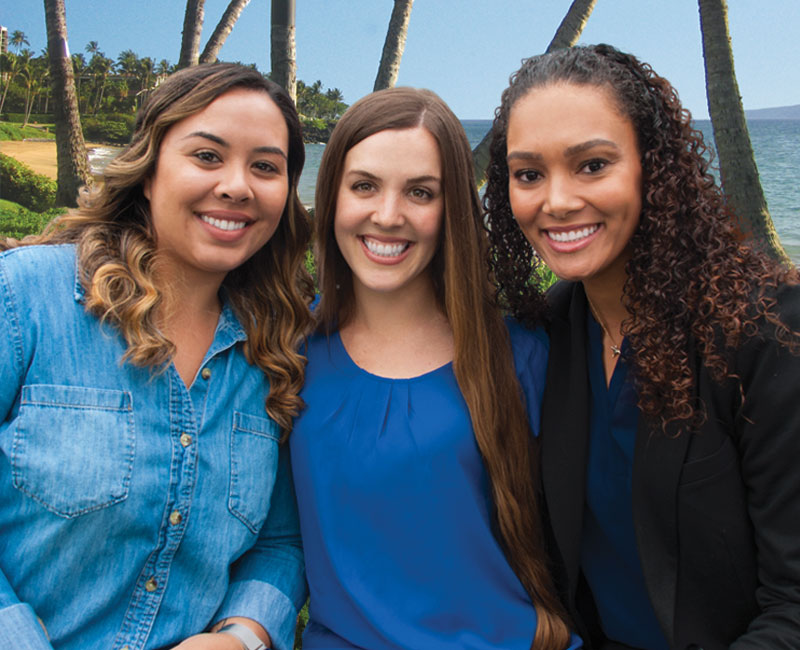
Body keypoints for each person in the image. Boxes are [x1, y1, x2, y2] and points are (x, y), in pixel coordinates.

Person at [484, 43, 800, 650]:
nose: (556, 200)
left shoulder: (765, 335)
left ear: (652, 168)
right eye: (529, 174)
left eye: (592, 165)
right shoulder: (546, 337)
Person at [0, 63, 312, 650]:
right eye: (207, 156)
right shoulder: (24, 298)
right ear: (148, 172)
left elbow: (280, 541)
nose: (238, 186)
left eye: (266, 167)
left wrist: (242, 636)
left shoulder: (277, 348)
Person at [289, 87, 580, 650]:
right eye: (364, 186)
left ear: (452, 211)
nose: (388, 215)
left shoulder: (523, 354)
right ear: (331, 196)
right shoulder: (284, 350)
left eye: (420, 192)